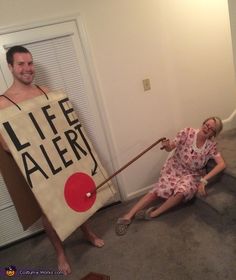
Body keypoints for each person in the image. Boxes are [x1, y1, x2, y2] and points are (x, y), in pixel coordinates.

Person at [0, 45, 104, 275]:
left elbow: (62, 126)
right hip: (38, 170)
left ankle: (87, 232)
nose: (27, 68)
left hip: (61, 160)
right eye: (21, 64)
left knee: (75, 197)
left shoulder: (46, 92)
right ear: (10, 67)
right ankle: (60, 252)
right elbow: (6, 146)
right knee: (49, 211)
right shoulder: (2, 103)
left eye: (30, 63)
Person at [115, 117, 226, 235]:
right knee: (156, 191)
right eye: (206, 124)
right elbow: (170, 147)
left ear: (214, 133)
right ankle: (128, 215)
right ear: (203, 123)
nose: (206, 128)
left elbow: (221, 164)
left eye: (211, 129)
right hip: (174, 168)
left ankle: (153, 213)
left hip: (191, 174)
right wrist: (167, 145)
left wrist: (204, 180)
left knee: (182, 192)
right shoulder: (187, 132)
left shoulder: (210, 146)